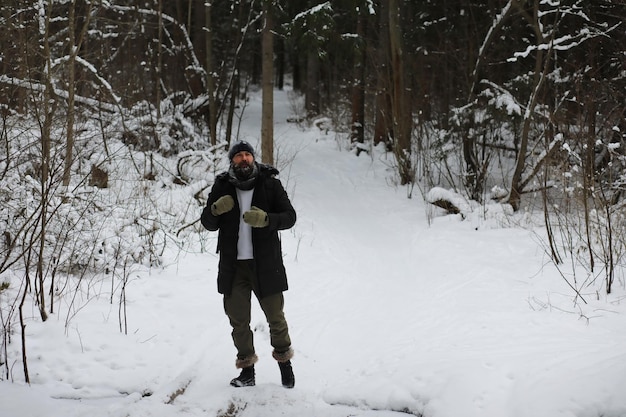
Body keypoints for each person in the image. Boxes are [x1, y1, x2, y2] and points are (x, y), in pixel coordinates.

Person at [200, 140, 296, 389]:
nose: (244, 159)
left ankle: (285, 366)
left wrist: (266, 219)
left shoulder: (269, 183)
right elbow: (208, 223)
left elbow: (289, 217)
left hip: (266, 264)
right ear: (232, 161)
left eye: (247, 155)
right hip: (233, 267)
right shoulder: (222, 185)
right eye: (238, 156)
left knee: (276, 317)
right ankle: (247, 372)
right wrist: (215, 209)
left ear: (253, 158)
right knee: (238, 320)